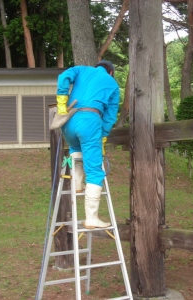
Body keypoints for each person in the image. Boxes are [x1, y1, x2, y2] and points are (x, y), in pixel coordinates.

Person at [50, 60, 120, 229]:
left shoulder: (81, 70)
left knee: (75, 148)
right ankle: (91, 217)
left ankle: (78, 185)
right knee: (95, 171)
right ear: (110, 72)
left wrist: (61, 104)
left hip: (68, 120)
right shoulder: (113, 84)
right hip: (90, 120)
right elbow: (110, 116)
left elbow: (63, 76)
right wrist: (102, 137)